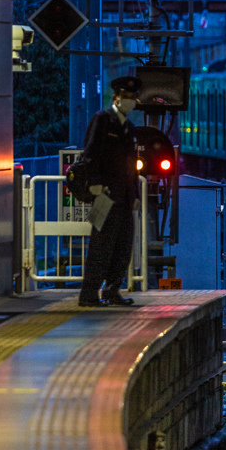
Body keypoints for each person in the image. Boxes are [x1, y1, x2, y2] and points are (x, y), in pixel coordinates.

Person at [78, 75, 141, 307]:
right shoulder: (102, 120)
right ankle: (89, 294)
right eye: (126, 97)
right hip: (104, 196)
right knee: (100, 246)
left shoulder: (130, 129)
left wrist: (134, 195)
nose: (130, 101)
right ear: (115, 98)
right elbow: (90, 152)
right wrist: (93, 181)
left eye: (133, 98)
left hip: (124, 198)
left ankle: (112, 290)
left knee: (123, 246)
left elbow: (132, 167)